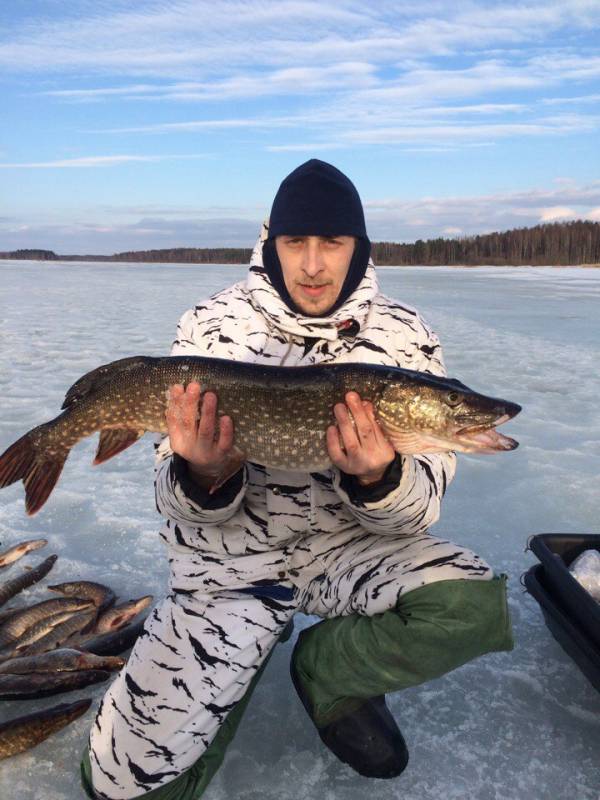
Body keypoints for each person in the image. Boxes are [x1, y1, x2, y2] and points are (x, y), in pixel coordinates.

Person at [81, 160, 513, 800]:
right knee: (120, 788)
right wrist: (202, 470)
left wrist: (380, 477)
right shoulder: (211, 327)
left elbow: (419, 512)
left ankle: (328, 670)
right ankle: (239, 653)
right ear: (272, 243)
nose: (312, 264)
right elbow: (177, 508)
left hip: (346, 553)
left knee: (470, 605)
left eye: (332, 242)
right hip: (227, 568)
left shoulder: (405, 337)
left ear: (358, 247)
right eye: (295, 242)